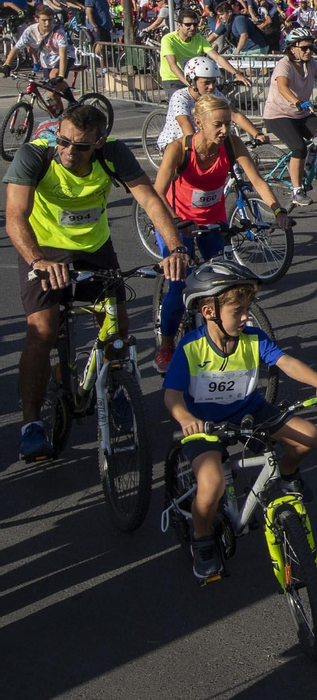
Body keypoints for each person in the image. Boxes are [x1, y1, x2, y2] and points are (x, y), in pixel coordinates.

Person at [7, 104, 189, 460]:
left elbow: (150, 200)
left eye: (81, 146)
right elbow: (15, 215)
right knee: (42, 331)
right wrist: (37, 260)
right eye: (64, 141)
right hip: (42, 248)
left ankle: (117, 389)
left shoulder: (113, 155)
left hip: (94, 247)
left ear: (100, 143)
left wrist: (176, 247)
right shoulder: (36, 155)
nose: (69, 151)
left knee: (116, 330)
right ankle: (31, 424)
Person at [162, 260, 317, 581]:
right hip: (204, 423)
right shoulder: (191, 347)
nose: (245, 317)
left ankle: (286, 474)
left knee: (309, 435)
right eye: (237, 311)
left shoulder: (253, 339)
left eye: (247, 309)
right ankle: (202, 541)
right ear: (209, 311)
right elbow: (172, 395)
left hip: (249, 411)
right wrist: (185, 418)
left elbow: (287, 362)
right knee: (212, 483)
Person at [151, 93, 290, 372]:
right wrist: (178, 221)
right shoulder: (179, 150)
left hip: (213, 223)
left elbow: (257, 181)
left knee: (225, 285)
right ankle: (166, 345)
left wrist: (277, 210)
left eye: (227, 123)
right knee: (179, 285)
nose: (225, 130)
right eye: (218, 124)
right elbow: (155, 194)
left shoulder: (230, 144)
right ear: (198, 123)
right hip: (177, 225)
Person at [262, 27, 317, 205]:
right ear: (292, 48)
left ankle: (305, 167)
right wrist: (298, 101)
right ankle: (297, 190)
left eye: (311, 48)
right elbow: (283, 87)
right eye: (304, 48)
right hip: (279, 114)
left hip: (301, 113)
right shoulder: (285, 64)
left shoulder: (311, 63)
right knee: (298, 147)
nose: (309, 51)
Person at [157, 56, 267, 151]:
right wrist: (198, 147)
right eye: (206, 82)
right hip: (177, 142)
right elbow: (185, 124)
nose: (211, 87)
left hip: (205, 139)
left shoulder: (214, 93)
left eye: (214, 81)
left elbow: (234, 114)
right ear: (191, 81)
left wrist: (256, 134)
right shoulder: (180, 97)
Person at [160, 8, 242, 94]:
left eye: (195, 25)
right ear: (179, 25)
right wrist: (190, 84)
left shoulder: (198, 38)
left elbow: (217, 57)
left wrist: (236, 73)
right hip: (173, 80)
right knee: (182, 104)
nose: (192, 28)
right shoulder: (168, 39)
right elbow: (172, 65)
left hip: (194, 79)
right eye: (188, 24)